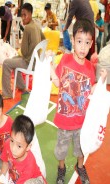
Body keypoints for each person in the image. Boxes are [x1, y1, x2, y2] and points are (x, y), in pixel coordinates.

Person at [49, 19, 101, 184]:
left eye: (87, 43)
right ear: (72, 40)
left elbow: (90, 92)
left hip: (81, 121)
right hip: (64, 121)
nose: (83, 47)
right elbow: (57, 81)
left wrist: (101, 82)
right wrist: (49, 65)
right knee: (61, 150)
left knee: (81, 148)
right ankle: (61, 168)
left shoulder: (90, 68)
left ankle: (80, 166)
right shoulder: (64, 60)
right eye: (79, 42)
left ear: (91, 43)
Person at [2, 3, 45, 99]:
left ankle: (7, 94)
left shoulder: (28, 28)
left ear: (30, 15)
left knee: (6, 63)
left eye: (25, 15)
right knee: (13, 59)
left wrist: (25, 47)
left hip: (29, 62)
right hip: (36, 61)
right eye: (22, 15)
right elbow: (44, 39)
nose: (23, 17)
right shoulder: (36, 26)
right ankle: (21, 86)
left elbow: (24, 52)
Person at [0, 115, 45, 184]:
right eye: (12, 141)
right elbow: (5, 162)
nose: (13, 149)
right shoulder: (8, 143)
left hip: (33, 180)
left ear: (28, 147)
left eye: (19, 146)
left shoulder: (29, 164)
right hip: (17, 177)